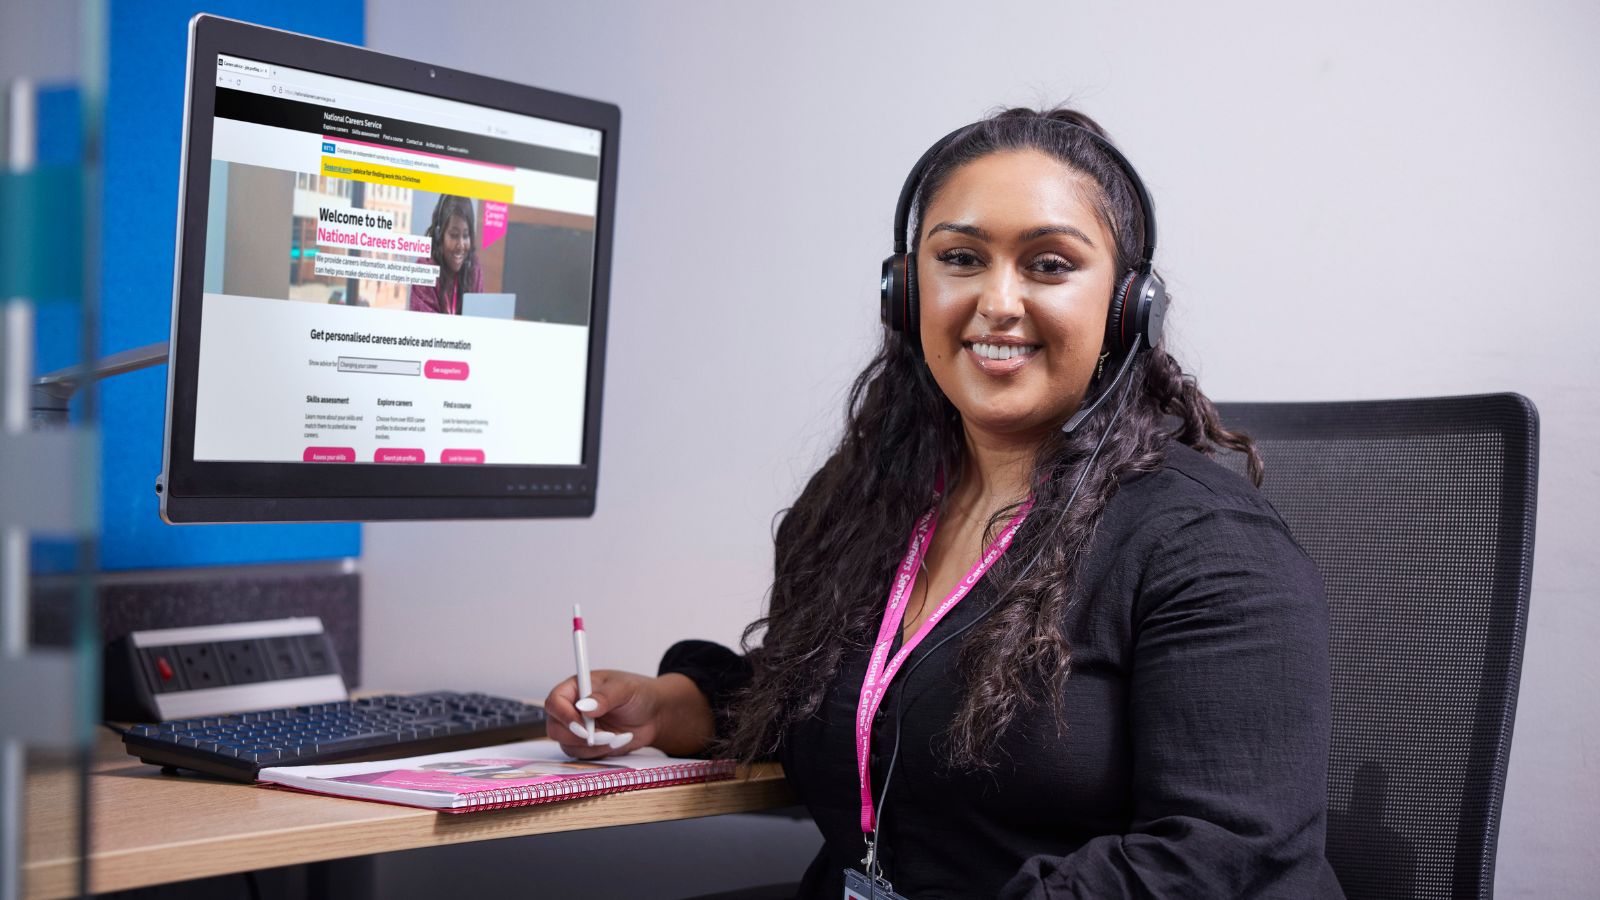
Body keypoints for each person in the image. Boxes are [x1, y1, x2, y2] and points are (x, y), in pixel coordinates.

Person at [543, 107, 1344, 899]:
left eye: (1050, 265)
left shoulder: (1207, 545)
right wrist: (668, 706)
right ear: (905, 291)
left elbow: (1219, 853)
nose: (998, 301)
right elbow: (858, 697)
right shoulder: (869, 505)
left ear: (1127, 305)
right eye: (960, 258)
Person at [408, 194, 482, 314]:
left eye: (466, 235)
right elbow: (424, 329)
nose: (461, 245)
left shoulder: (473, 269)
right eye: (454, 235)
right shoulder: (424, 270)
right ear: (439, 235)